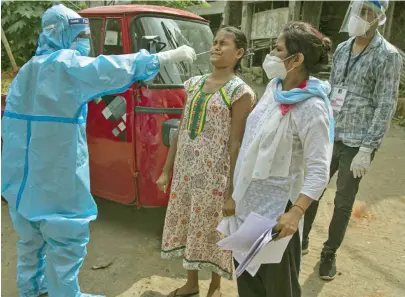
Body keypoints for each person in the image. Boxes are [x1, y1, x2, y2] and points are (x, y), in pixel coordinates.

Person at [1, 4, 196, 297]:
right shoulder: (67, 68)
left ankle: (31, 290)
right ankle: (64, 294)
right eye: (79, 35)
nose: (83, 42)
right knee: (65, 240)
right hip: (56, 174)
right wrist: (165, 56)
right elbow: (110, 68)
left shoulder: (27, 70)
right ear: (65, 34)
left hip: (21, 176)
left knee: (30, 239)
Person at [221, 22, 334, 297]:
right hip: (248, 208)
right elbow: (251, 143)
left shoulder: (312, 108)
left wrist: (295, 212)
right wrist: (233, 193)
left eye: (278, 49)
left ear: (296, 60)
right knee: (248, 282)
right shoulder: (274, 88)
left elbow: (320, 170)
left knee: (278, 289)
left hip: (277, 219)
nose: (271, 54)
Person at [302, 0, 403, 281]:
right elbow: (333, 88)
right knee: (313, 189)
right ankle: (303, 239)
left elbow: (386, 104)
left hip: (358, 142)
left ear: (379, 18)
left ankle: (329, 253)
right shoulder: (344, 48)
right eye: (358, 10)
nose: (360, 16)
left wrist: (368, 148)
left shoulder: (388, 56)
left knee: (344, 201)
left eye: (367, 12)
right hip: (331, 133)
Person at [156, 26, 256, 297]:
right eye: (214, 42)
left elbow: (237, 144)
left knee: (214, 234)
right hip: (187, 173)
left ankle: (215, 287)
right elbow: (181, 129)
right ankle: (191, 284)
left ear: (239, 53)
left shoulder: (240, 92)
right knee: (189, 226)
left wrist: (232, 192)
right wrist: (167, 170)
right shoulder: (194, 84)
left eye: (224, 44)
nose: (216, 47)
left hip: (215, 178)